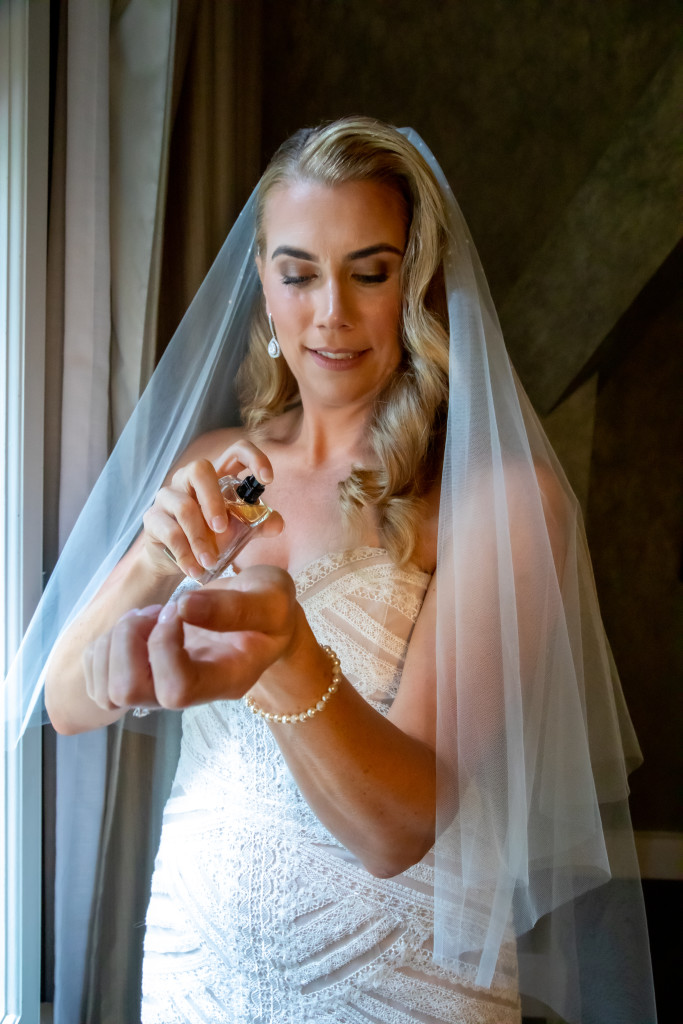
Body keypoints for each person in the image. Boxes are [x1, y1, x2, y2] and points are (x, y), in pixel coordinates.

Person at [23, 118, 654, 1022]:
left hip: (390, 988)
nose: (330, 313)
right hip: (191, 974)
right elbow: (64, 703)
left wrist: (290, 655)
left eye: (369, 272)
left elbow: (397, 830)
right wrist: (151, 566)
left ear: (417, 282)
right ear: (262, 280)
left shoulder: (491, 499)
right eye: (298, 274)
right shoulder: (226, 472)